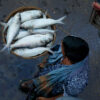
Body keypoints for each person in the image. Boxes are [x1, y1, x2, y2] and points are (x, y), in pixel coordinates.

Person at [19, 36, 89, 100]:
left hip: (52, 90)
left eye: (62, 46)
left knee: (38, 96)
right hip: (46, 75)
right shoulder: (80, 54)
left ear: (68, 54)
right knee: (37, 82)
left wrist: (48, 99)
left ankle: (39, 91)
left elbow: (67, 95)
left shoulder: (78, 80)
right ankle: (35, 85)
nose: (60, 46)